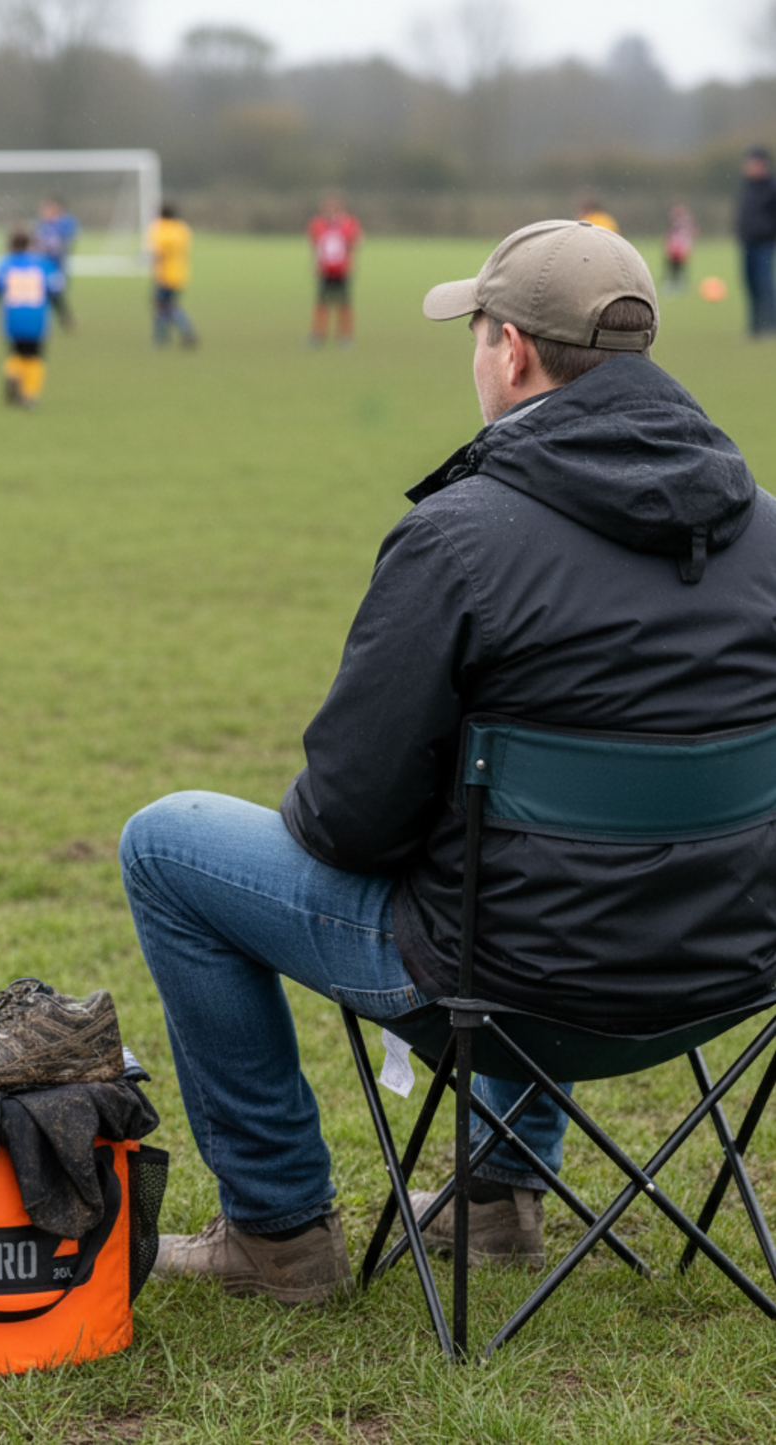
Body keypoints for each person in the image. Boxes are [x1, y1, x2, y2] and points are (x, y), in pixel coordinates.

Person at [121, 219, 776, 1306]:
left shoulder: (457, 538)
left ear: (509, 352)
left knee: (165, 841)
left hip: (511, 985)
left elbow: (347, 821)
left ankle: (278, 1231)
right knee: (534, 869)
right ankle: (495, 1194)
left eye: (473, 332)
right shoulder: (763, 529)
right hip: (723, 976)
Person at [0, 229, 64, 407]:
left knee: (16, 352)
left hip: (13, 318)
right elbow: (56, 293)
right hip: (36, 318)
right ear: (30, 244)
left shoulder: (4, 264)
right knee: (35, 356)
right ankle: (30, 394)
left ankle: (13, 375)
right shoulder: (44, 265)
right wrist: (65, 316)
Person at [307, 192, 362, 346]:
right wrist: (314, 263)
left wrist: (352, 263)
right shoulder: (318, 223)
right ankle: (318, 335)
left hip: (342, 270)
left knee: (344, 304)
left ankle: (345, 336)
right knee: (321, 303)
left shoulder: (349, 223)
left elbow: (355, 243)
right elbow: (314, 245)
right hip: (325, 270)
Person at [736, 146, 776, 337]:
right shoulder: (747, 187)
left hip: (764, 243)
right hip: (747, 243)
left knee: (764, 284)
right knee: (750, 284)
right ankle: (755, 327)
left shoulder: (771, 187)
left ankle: (770, 325)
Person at [145, 202, 198, 349]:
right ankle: (162, 337)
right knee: (165, 305)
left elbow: (158, 254)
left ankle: (182, 331)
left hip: (165, 274)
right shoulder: (182, 229)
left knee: (164, 306)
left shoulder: (160, 229)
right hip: (180, 273)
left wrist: (157, 273)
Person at [34, 197, 78, 330]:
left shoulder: (64, 224)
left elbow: (65, 244)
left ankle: (66, 319)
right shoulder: (41, 225)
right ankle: (65, 319)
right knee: (45, 294)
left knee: (55, 294)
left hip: (56, 266)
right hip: (42, 265)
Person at [664, 203, 697, 291]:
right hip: (674, 251)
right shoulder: (676, 225)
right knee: (673, 269)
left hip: (679, 251)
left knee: (678, 269)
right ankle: (675, 284)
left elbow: (688, 236)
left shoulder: (681, 225)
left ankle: (679, 285)